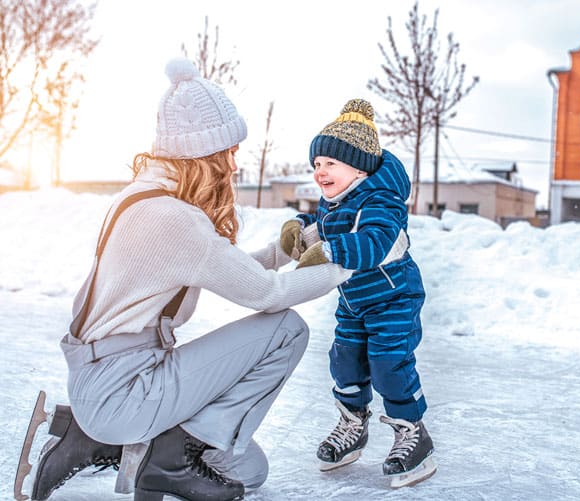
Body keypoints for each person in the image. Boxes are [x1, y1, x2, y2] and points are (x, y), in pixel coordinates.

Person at [16, 58, 352, 501]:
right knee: (286, 329)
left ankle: (96, 437)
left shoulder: (141, 198)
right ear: (205, 156)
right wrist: (347, 262)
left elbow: (221, 266)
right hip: (126, 388)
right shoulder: (175, 219)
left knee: (251, 469)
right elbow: (266, 295)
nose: (234, 166)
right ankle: (166, 454)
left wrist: (283, 251)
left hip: (107, 379)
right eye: (229, 153)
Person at [279, 98, 437, 488]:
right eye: (317, 164)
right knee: (344, 361)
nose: (320, 172)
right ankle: (353, 424)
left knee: (388, 363)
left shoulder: (381, 200)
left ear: (358, 166)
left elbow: (376, 242)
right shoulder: (339, 200)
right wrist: (301, 229)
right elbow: (326, 224)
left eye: (330, 163)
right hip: (354, 300)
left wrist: (330, 250)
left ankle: (413, 433)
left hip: (394, 298)